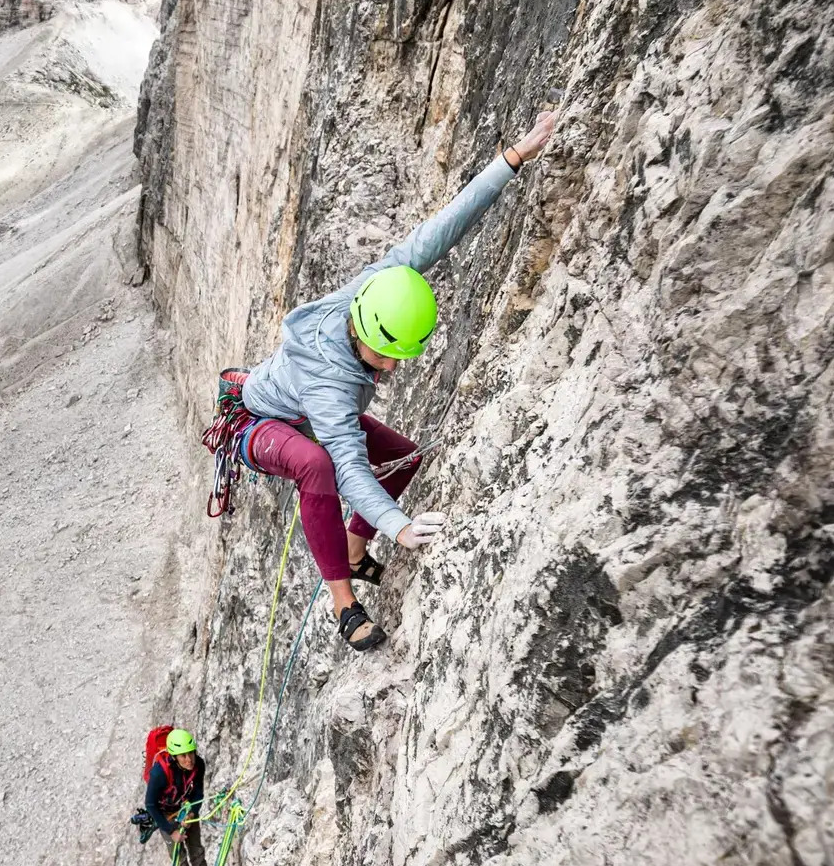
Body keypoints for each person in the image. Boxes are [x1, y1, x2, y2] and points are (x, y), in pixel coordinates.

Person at [240, 113, 559, 651]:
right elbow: (346, 463)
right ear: (361, 329)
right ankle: (343, 606)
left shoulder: (376, 288)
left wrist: (514, 158)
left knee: (407, 456)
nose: (390, 369)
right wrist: (398, 525)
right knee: (316, 465)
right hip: (264, 424)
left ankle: (356, 552)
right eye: (383, 356)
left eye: (398, 358)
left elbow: (441, 230)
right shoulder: (329, 383)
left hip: (306, 414)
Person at [139, 728, 205, 862]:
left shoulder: (199, 764)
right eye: (183, 755)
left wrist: (192, 813)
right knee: (179, 859)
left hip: (185, 808)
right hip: (165, 814)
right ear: (174, 757)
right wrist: (171, 831)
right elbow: (150, 804)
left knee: (197, 853)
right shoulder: (159, 773)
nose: (189, 760)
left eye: (191, 753)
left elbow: (198, 793)